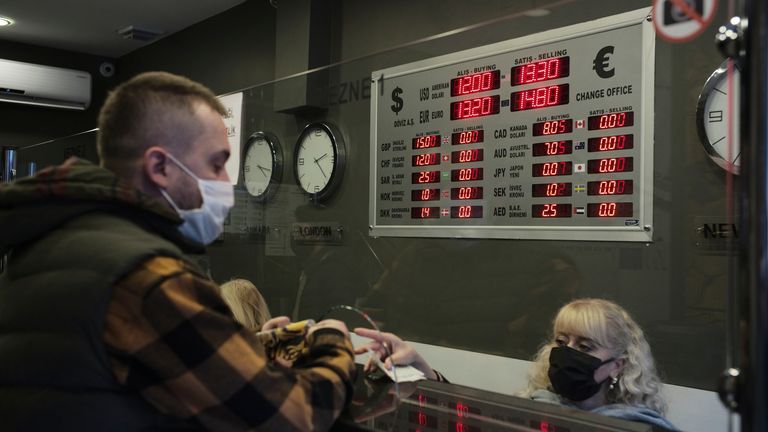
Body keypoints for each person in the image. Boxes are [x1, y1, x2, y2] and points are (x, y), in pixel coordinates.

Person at [0, 71, 355, 431]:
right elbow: (290, 416)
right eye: (216, 165)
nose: (226, 186)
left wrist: (255, 349)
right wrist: (333, 342)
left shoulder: (47, 246)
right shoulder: (145, 276)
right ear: (160, 167)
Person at [354, 298, 677, 430]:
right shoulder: (535, 410)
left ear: (618, 365)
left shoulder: (639, 428)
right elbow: (469, 422)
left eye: (585, 346)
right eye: (561, 342)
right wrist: (420, 369)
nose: (567, 353)